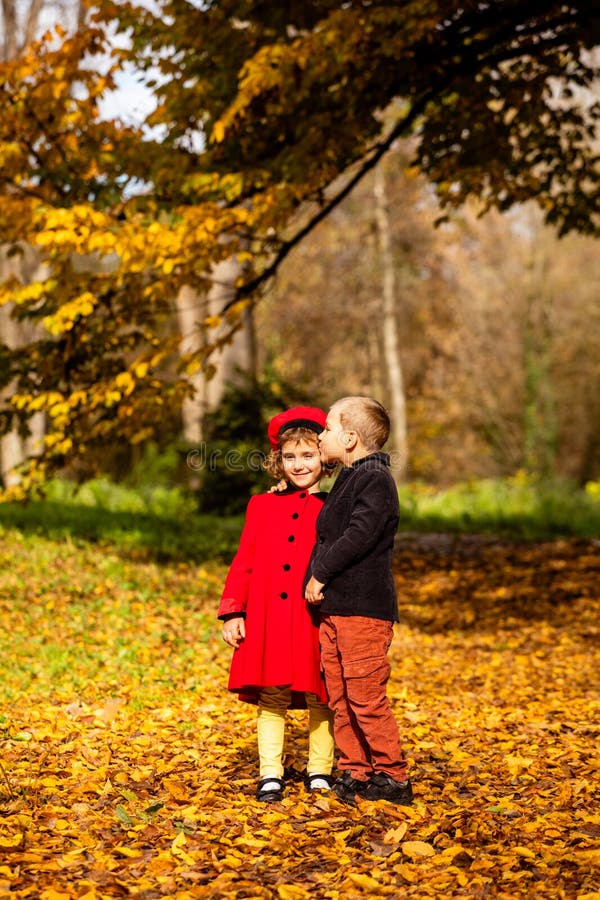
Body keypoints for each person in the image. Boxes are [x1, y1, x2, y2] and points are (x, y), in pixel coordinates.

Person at [218, 407, 335, 803]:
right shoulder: (261, 505)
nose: (299, 464)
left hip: (313, 615)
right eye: (290, 457)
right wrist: (234, 609)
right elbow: (245, 561)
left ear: (324, 457)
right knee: (272, 693)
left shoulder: (335, 505)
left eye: (308, 455)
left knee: (323, 692)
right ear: (277, 461)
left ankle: (321, 769)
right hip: (268, 613)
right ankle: (271, 772)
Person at [304, 396, 413, 805]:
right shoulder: (349, 476)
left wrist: (321, 572)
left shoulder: (375, 480)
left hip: (363, 610)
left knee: (365, 695)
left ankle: (392, 775)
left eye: (328, 428)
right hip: (336, 608)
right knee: (340, 696)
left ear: (350, 438)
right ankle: (355, 769)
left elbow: (358, 535)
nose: (321, 435)